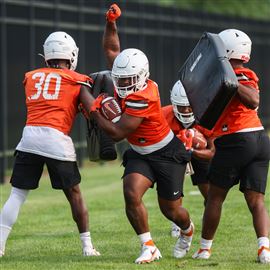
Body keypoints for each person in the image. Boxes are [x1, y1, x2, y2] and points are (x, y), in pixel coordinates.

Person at [86, 4, 194, 264]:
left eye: (126, 81)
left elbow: (119, 132)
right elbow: (112, 50)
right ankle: (148, 246)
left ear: (143, 76)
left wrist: (95, 110)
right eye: (119, 80)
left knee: (171, 210)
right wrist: (111, 23)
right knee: (131, 192)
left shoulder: (145, 95)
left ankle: (188, 231)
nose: (121, 85)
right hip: (141, 153)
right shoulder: (126, 76)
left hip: (166, 152)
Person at [0, 31, 100, 257]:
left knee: (17, 194)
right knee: (74, 193)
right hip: (56, 139)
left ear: (46, 54)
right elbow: (92, 110)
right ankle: (87, 247)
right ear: (71, 55)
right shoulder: (78, 80)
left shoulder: (30, 76)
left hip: (30, 137)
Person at [192, 29, 270, 264]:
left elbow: (253, 99)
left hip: (237, 139)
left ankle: (205, 249)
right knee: (256, 201)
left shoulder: (241, 74)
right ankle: (264, 250)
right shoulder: (231, 73)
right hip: (258, 139)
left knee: (215, 197)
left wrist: (230, 79)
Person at [162, 80, 215, 238]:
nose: (185, 110)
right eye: (181, 106)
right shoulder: (163, 115)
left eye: (189, 106)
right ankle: (177, 222)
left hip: (198, 152)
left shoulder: (206, 115)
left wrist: (192, 149)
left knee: (211, 194)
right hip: (174, 152)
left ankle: (209, 222)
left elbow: (212, 152)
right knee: (173, 188)